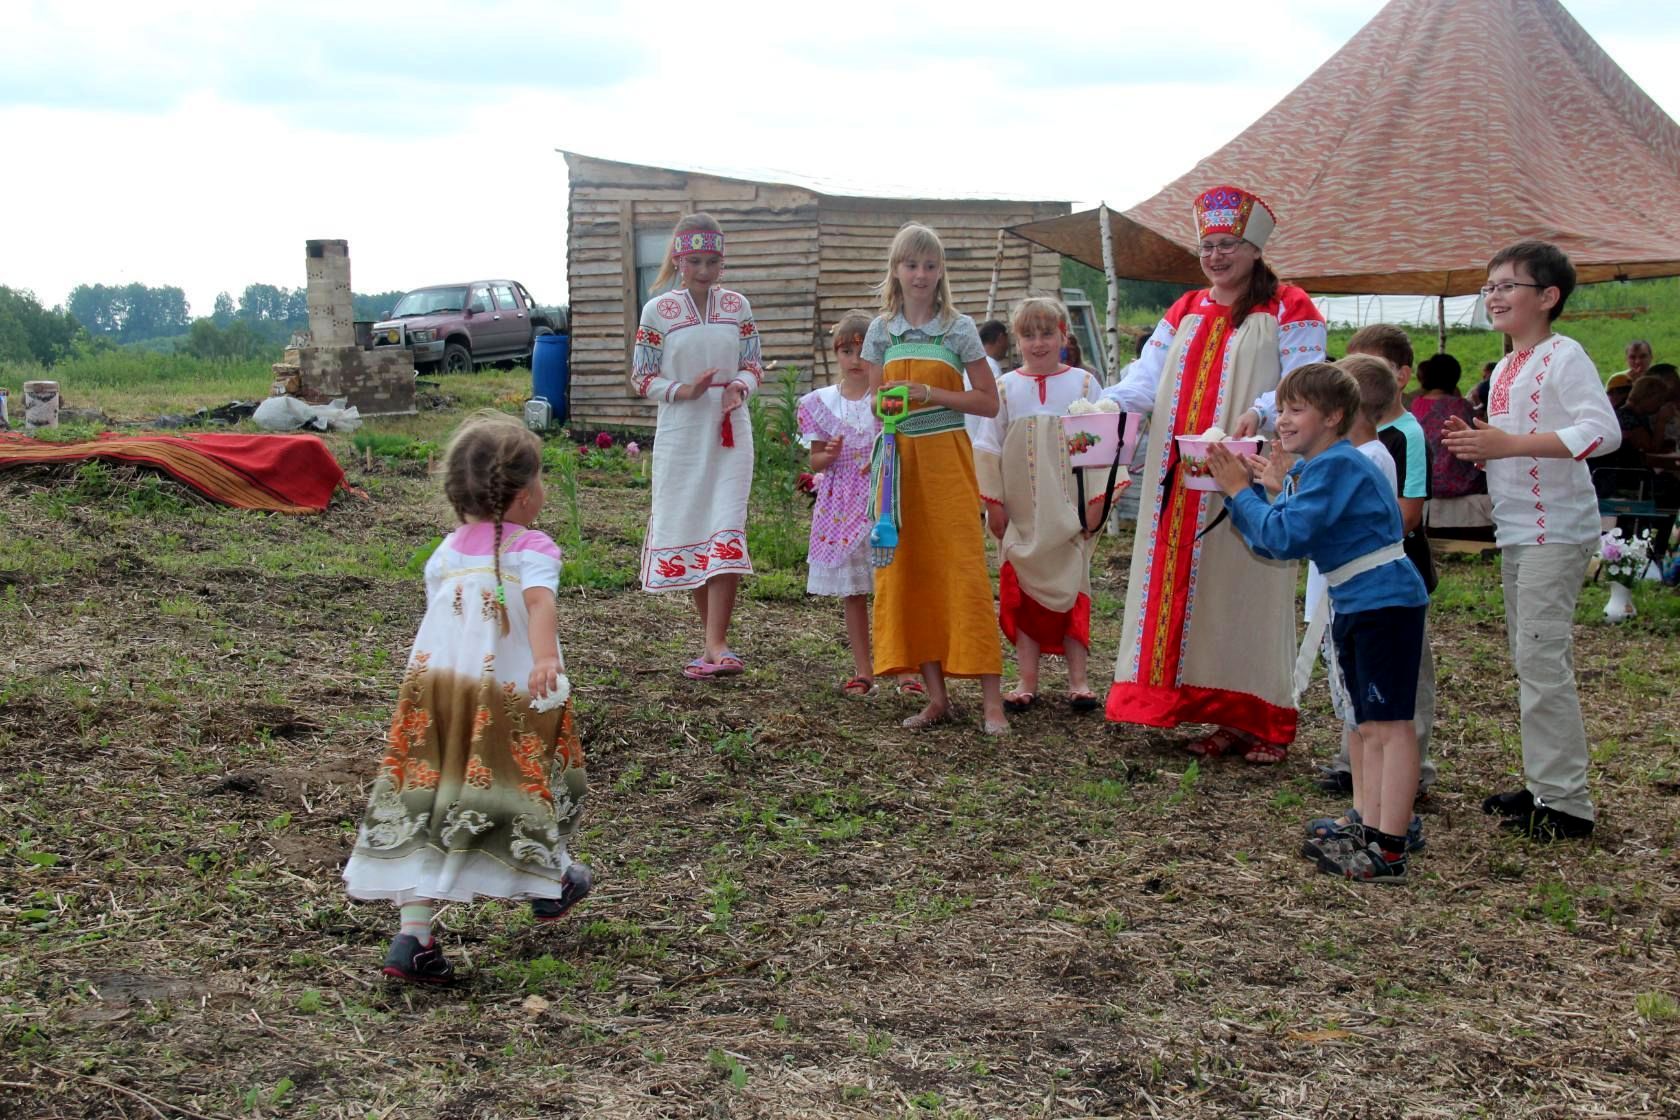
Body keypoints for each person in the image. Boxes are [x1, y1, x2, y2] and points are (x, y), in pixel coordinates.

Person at [342, 411, 590, 983]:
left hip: (436, 704)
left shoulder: (448, 552)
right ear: (526, 495)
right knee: (529, 779)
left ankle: (413, 939)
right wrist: (547, 657)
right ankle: (553, 878)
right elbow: (538, 603)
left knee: (430, 804)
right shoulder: (532, 546)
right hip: (504, 697)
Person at [1102, 185, 1327, 762]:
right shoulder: (1184, 308)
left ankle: (1262, 720)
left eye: (1229, 244)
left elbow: (1308, 382)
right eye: (1208, 245)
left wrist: (1265, 408)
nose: (1217, 255)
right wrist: (1102, 407)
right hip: (1178, 479)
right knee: (1194, 591)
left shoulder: (1289, 306)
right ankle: (1216, 712)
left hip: (1249, 469)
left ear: (1253, 250)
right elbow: (1146, 378)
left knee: (1246, 588)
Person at [1208, 363, 1428, 881]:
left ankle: (1389, 846)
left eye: (1295, 410)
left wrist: (1241, 492)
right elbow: (1276, 534)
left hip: (1382, 603)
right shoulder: (1324, 467)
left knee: (1391, 726)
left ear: (1333, 416)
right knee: (1369, 724)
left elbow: (1283, 539)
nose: (1281, 420)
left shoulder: (1336, 467)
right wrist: (1257, 491)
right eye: (1280, 409)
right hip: (1360, 601)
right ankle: (1370, 826)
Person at [1443, 239, 1621, 841]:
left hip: (1555, 529)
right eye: (1488, 286)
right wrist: (1483, 442)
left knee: (1543, 660)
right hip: (1519, 528)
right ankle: (1546, 783)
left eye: (1507, 286)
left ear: (1548, 297)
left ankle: (1568, 804)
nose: (1494, 295)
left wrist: (1508, 445)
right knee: (1530, 658)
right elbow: (1516, 439)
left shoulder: (1564, 354)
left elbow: (1603, 431)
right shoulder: (1506, 366)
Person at [861, 223, 1008, 734]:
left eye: (929, 265)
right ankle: (936, 697)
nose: (920, 275)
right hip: (900, 462)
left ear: (940, 270)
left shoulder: (959, 328)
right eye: (911, 265)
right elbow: (876, 402)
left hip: (947, 457)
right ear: (896, 270)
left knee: (963, 569)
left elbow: (989, 401)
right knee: (912, 570)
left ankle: (992, 701)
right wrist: (890, 403)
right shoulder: (881, 330)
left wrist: (932, 394)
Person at [630, 213, 762, 680]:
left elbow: (753, 366)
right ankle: (711, 644)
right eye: (695, 261)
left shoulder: (738, 307)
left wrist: (738, 388)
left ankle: (718, 643)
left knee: (726, 523)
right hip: (682, 431)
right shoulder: (657, 312)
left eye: (712, 261)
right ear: (679, 260)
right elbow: (642, 377)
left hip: (729, 426)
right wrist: (683, 390)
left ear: (721, 262)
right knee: (691, 525)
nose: (704, 270)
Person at [972, 296, 1115, 713]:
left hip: (1070, 512)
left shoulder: (1085, 386)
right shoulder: (1004, 389)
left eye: (1047, 333)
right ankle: (1026, 680)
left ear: (1062, 336)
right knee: (1024, 594)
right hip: (1021, 513)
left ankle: (1079, 681)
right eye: (1028, 335)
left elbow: (1102, 448)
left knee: (1073, 589)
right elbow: (987, 446)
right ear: (1016, 339)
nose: (1038, 343)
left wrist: (1096, 502)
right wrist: (993, 504)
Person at [1313, 326, 1438, 797]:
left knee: (1405, 678)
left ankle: (1413, 770)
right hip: (1362, 578)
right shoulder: (1354, 443)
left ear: (1400, 377)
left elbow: (1407, 511)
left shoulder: (1405, 436)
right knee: (1357, 674)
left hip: (1396, 575)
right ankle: (1357, 764)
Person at [800, 312, 884, 696]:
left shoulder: (885, 400)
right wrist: (829, 455)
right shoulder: (822, 403)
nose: (855, 360)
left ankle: (905, 668)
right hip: (841, 505)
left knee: (891, 584)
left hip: (882, 500)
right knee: (855, 590)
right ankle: (863, 668)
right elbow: (815, 461)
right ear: (836, 355)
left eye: (862, 351)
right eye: (846, 351)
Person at [1408, 352, 1486, 499]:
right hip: (1459, 484)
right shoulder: (1461, 406)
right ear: (1454, 378)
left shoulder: (1416, 403)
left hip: (1423, 482)